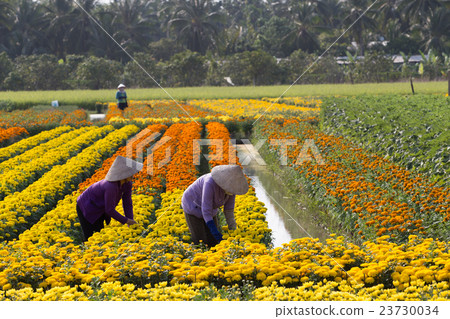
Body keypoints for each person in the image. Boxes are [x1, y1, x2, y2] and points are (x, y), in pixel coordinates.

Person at [76, 156, 142, 241]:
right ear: (123, 174)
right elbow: (109, 210)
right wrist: (126, 221)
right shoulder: (110, 186)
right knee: (92, 237)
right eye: (131, 173)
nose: (133, 175)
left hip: (100, 206)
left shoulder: (127, 183)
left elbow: (127, 202)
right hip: (87, 206)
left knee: (100, 234)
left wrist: (131, 221)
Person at [182, 165, 248, 247]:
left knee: (213, 241)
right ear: (226, 183)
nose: (233, 192)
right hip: (193, 205)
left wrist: (233, 229)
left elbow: (229, 210)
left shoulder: (231, 188)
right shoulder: (209, 183)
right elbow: (206, 211)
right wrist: (215, 231)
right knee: (201, 241)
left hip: (210, 208)